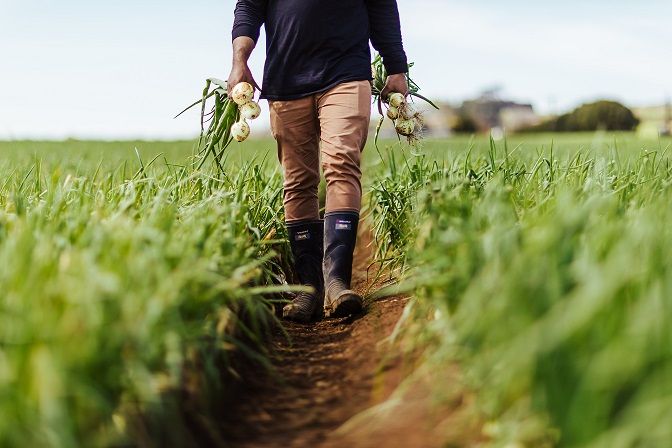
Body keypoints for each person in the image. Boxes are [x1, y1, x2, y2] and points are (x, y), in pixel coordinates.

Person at [229, 0, 408, 323]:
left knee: (341, 164)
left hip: (346, 75)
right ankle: (308, 288)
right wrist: (239, 61)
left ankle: (337, 281)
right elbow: (249, 10)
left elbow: (382, 8)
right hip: (285, 81)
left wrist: (397, 67)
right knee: (297, 181)